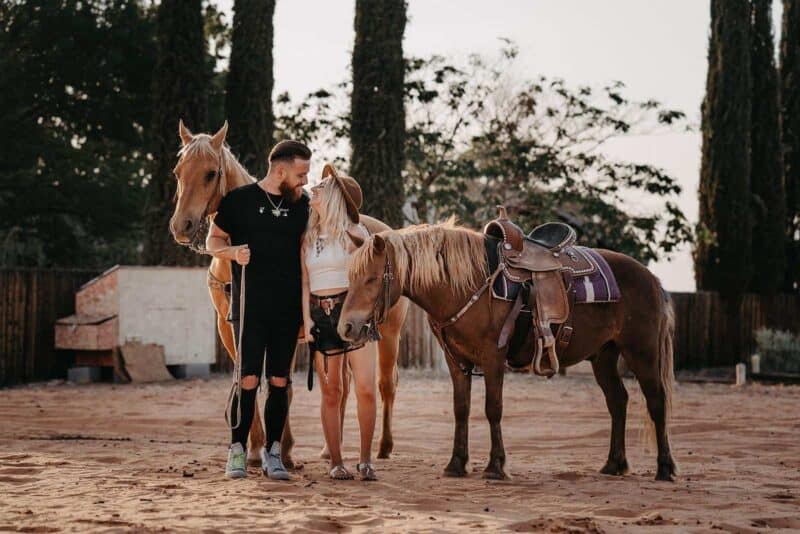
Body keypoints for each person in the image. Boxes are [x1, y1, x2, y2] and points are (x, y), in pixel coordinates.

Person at [206, 140, 311, 480]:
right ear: (280, 170)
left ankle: (273, 453)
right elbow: (213, 241)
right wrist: (233, 253)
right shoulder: (239, 201)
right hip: (249, 306)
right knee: (247, 379)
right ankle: (237, 451)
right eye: (301, 174)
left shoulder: (303, 206)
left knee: (279, 382)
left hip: (287, 310)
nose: (305, 181)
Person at [301, 163, 378, 481]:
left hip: (355, 314)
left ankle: (365, 460)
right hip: (321, 315)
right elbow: (304, 281)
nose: (312, 191)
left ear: (333, 195)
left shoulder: (358, 234)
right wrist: (305, 320)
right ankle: (335, 461)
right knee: (331, 391)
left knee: (365, 389)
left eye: (319, 188)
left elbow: (371, 278)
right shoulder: (306, 236)